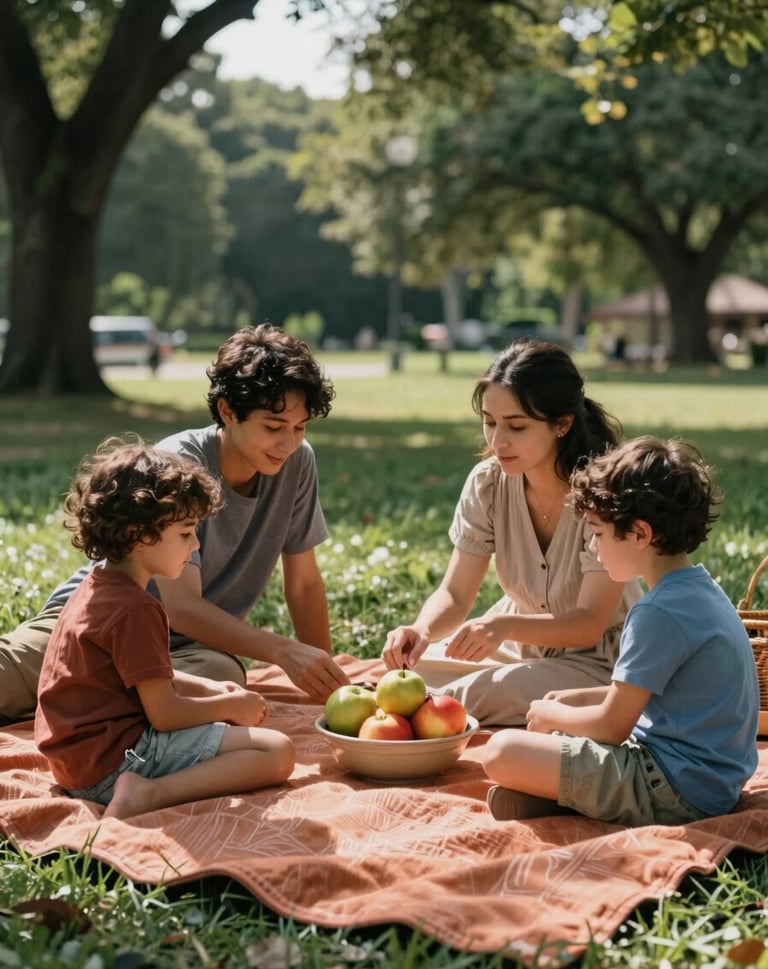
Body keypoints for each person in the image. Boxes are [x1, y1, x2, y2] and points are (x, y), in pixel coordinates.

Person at [0, 324, 350, 725]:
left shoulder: (297, 463)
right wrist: (283, 650)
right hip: (99, 627)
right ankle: (94, 697)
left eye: (300, 427)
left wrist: (334, 687)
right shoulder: (180, 463)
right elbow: (181, 607)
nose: (288, 444)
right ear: (227, 411)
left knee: (224, 675)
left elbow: (304, 585)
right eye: (273, 427)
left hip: (186, 650)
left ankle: (86, 699)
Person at [483, 436, 759, 826]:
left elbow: (612, 728)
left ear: (641, 534)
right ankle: (570, 800)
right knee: (548, 744)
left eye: (598, 533)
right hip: (712, 783)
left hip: (671, 787)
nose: (594, 549)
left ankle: (591, 801)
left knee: (501, 751)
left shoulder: (657, 612)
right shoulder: (699, 590)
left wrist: (553, 713)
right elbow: (659, 693)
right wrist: (578, 698)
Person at [381, 337, 643, 726]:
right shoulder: (488, 483)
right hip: (518, 643)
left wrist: (502, 627)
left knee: (470, 695)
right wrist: (421, 629)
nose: (497, 440)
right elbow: (454, 594)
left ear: (562, 424)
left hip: (600, 658)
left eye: (516, 426)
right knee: (405, 679)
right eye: (489, 422)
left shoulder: (605, 492)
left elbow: (589, 622)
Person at [35, 438, 295, 819]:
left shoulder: (98, 587)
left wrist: (207, 688)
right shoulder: (135, 608)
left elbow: (141, 675)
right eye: (187, 533)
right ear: (139, 535)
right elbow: (165, 714)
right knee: (276, 751)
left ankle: (141, 786)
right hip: (117, 763)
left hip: (76, 763)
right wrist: (230, 705)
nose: (194, 547)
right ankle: (148, 793)